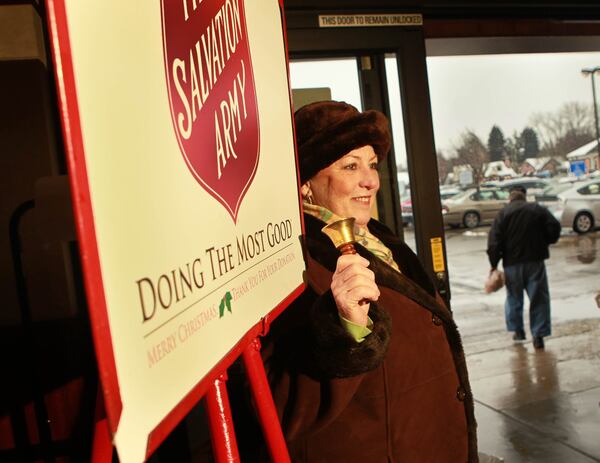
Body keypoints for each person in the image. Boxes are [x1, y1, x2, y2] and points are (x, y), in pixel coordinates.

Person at [261, 101, 478, 462]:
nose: (371, 180)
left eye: (373, 164)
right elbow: (282, 411)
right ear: (304, 185)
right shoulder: (292, 261)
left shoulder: (376, 237)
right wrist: (344, 329)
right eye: (350, 166)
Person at [486, 185, 561, 349]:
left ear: (510, 198)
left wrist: (494, 264)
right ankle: (538, 336)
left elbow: (494, 242)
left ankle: (518, 331)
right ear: (524, 197)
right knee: (539, 298)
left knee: (514, 297)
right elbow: (554, 226)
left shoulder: (503, 214)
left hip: (511, 264)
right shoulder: (536, 209)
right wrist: (546, 241)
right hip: (535, 262)